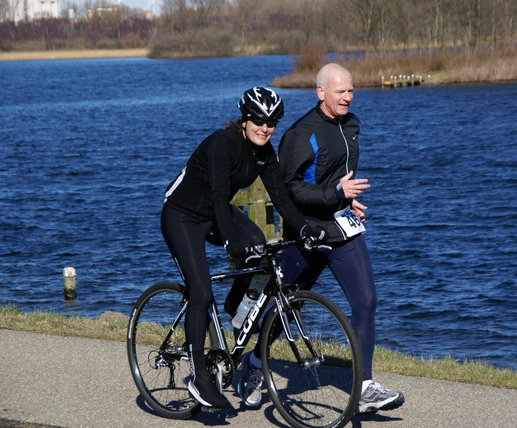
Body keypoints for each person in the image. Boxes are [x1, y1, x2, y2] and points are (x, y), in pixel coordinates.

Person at [239, 64, 405, 414]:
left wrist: (347, 199)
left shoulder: (352, 123)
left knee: (367, 300)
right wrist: (335, 192)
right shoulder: (301, 134)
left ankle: (363, 387)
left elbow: (337, 175)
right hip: (306, 232)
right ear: (321, 92)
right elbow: (290, 189)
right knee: (289, 307)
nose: (348, 97)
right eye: (340, 91)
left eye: (351, 90)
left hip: (342, 229)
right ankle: (254, 365)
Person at [161, 87, 326, 409]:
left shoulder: (265, 153)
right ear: (245, 119)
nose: (265, 128)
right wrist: (228, 240)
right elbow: (220, 195)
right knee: (201, 292)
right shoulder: (224, 143)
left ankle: (235, 304)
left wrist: (305, 226)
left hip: (213, 213)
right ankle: (199, 376)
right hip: (182, 216)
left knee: (257, 246)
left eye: (272, 122)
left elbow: (281, 197)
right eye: (259, 121)